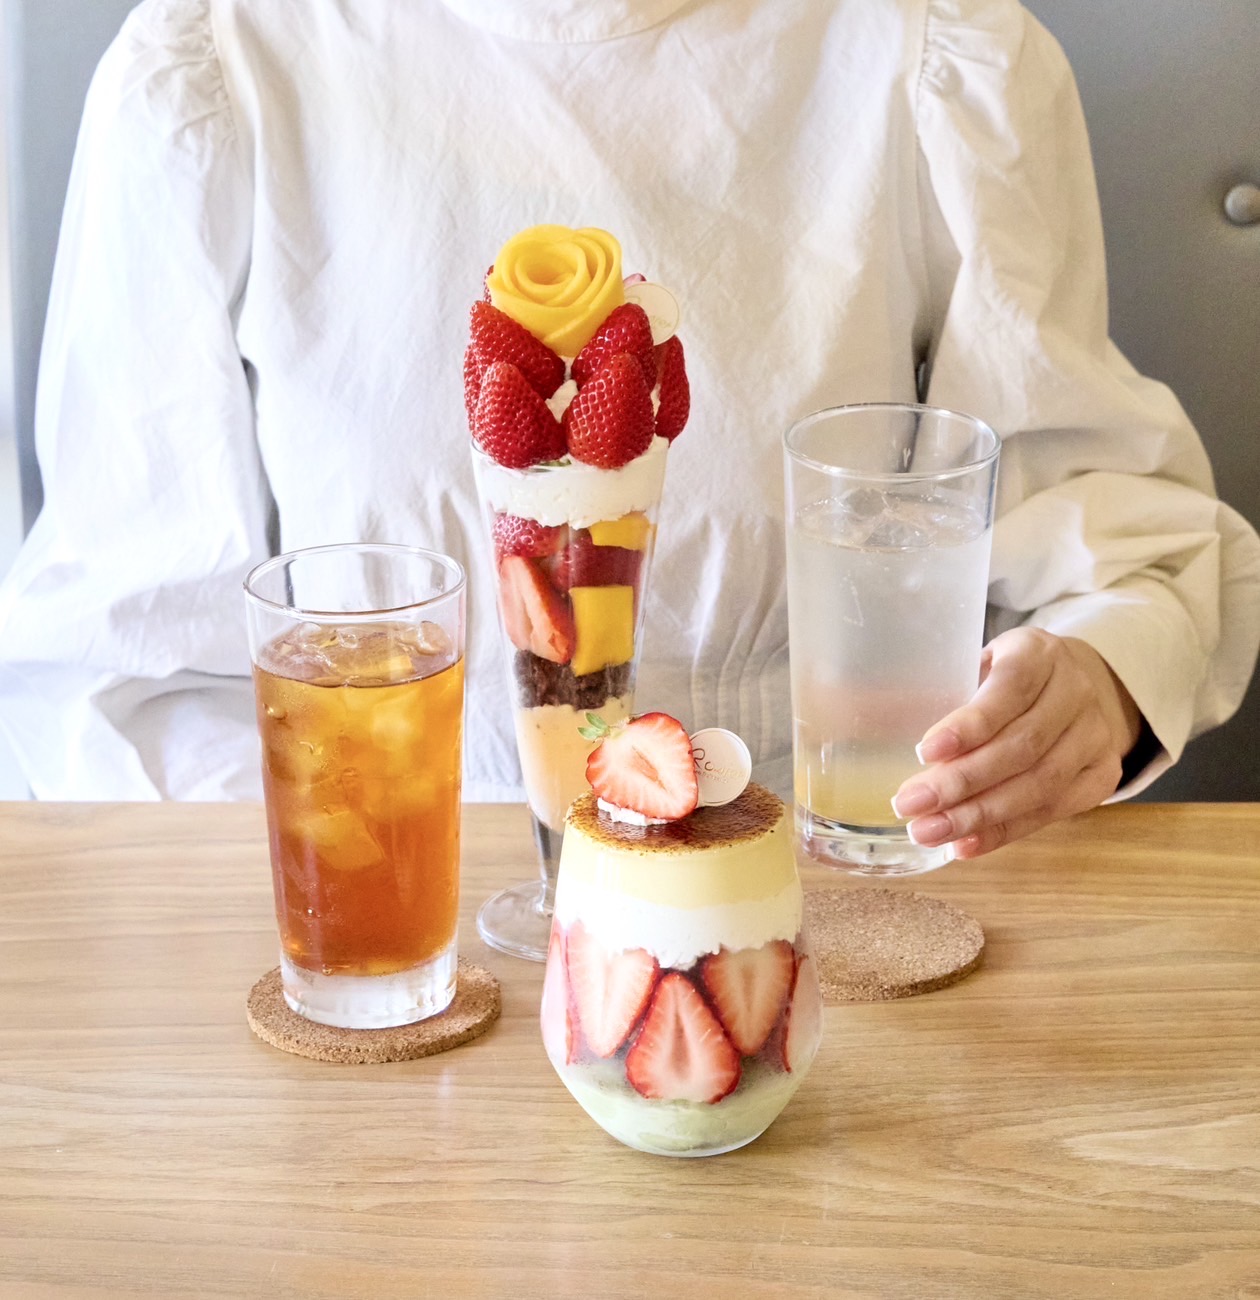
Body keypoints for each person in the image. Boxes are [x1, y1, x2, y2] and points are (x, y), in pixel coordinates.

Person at [0, 0, 1256, 859]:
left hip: (820, 899)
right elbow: (118, 674)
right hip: (395, 919)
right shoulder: (215, 69)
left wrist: (1096, 680)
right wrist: (348, 876)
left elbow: (1123, 547)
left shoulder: (934, 55)